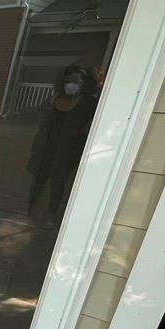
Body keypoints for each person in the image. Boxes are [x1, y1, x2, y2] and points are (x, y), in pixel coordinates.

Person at [25, 65, 99, 228]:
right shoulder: (53, 100)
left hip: (67, 151)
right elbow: (41, 116)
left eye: (77, 82)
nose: (72, 84)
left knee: (58, 183)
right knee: (38, 180)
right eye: (69, 81)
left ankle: (51, 214)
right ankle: (30, 209)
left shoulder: (88, 104)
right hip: (46, 148)